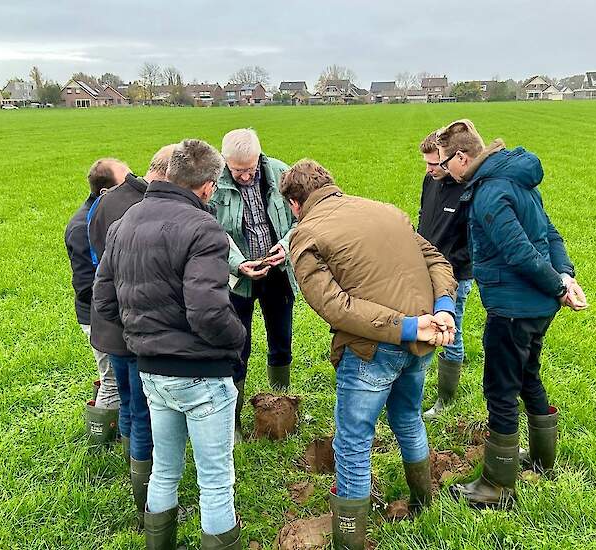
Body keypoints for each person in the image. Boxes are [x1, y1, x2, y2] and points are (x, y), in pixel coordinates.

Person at [282, 159, 457, 550]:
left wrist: (409, 326)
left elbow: (335, 307)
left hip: (372, 349)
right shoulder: (386, 210)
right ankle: (423, 502)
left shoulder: (305, 234)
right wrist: (443, 308)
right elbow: (436, 260)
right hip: (422, 341)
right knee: (408, 418)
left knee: (353, 441)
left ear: (295, 203)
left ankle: (350, 539)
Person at [94, 139, 246, 550]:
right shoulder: (204, 228)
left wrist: (144, 335)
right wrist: (239, 340)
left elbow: (104, 301)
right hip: (202, 374)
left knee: (165, 468)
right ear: (207, 186)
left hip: (151, 371)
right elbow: (208, 314)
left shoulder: (122, 223)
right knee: (216, 480)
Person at [434, 119, 588, 509]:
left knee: (501, 390)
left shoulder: (489, 193)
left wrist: (559, 284)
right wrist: (565, 277)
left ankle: (497, 486)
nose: (443, 170)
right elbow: (551, 234)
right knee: (528, 374)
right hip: (539, 307)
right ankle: (541, 459)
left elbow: (518, 251)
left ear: (463, 158)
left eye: (446, 162)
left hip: (513, 308)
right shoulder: (517, 179)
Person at [88, 146, 172, 527]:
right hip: (136, 327)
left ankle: (130, 467)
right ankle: (145, 502)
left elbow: (99, 268)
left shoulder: (102, 205)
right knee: (143, 412)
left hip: (111, 325)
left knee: (125, 400)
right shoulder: (144, 209)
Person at [212, 128, 296, 442]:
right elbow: (211, 230)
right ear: (225, 163)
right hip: (237, 279)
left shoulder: (280, 172)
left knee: (281, 340)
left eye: (250, 169)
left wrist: (285, 246)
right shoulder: (214, 184)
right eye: (237, 171)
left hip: (277, 272)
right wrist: (237, 263)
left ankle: (282, 409)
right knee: (237, 347)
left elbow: (302, 217)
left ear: (259, 158)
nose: (246, 177)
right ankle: (233, 421)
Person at [68, 158, 127, 451]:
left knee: (114, 376)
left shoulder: (99, 214)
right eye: (125, 180)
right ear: (107, 191)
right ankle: (100, 444)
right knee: (112, 379)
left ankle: (114, 435)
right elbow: (86, 285)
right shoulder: (85, 224)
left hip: (102, 312)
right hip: (96, 315)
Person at [416, 131, 474, 419]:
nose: (429, 170)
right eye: (426, 164)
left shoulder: (467, 189)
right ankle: (414, 388)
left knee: (452, 331)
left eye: (434, 164)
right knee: (423, 326)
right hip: (423, 271)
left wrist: (451, 265)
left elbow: (473, 240)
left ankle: (445, 399)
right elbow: (423, 218)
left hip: (456, 276)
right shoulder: (430, 181)